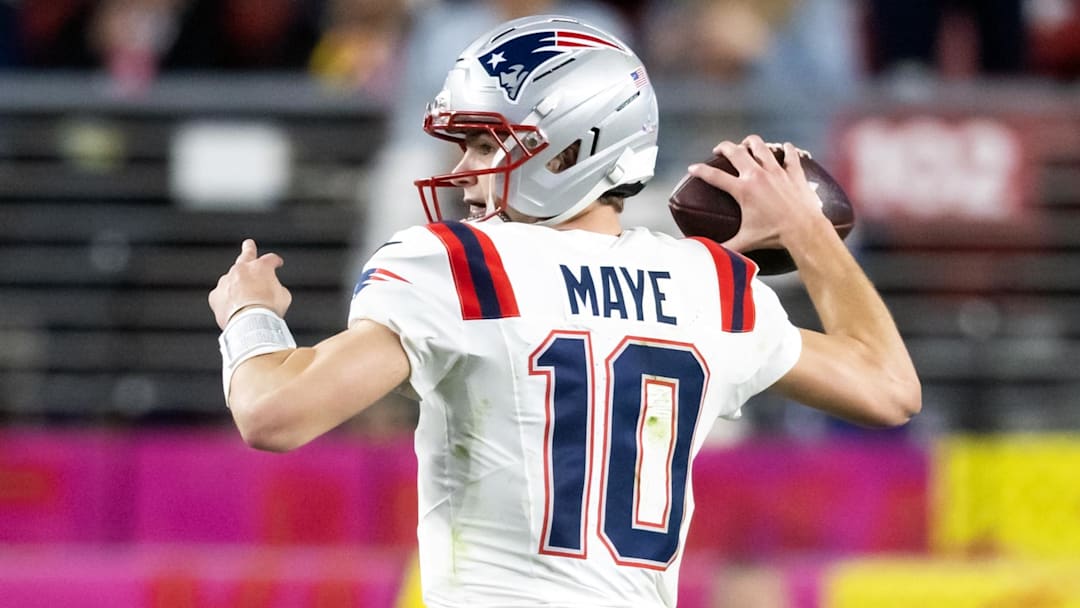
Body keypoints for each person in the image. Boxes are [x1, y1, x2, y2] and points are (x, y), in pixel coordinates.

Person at [208, 14, 920, 608]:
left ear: (571, 147)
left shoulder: (468, 267)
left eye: (487, 143)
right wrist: (807, 231)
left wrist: (249, 316)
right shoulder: (705, 283)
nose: (463, 172)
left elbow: (273, 413)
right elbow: (889, 388)